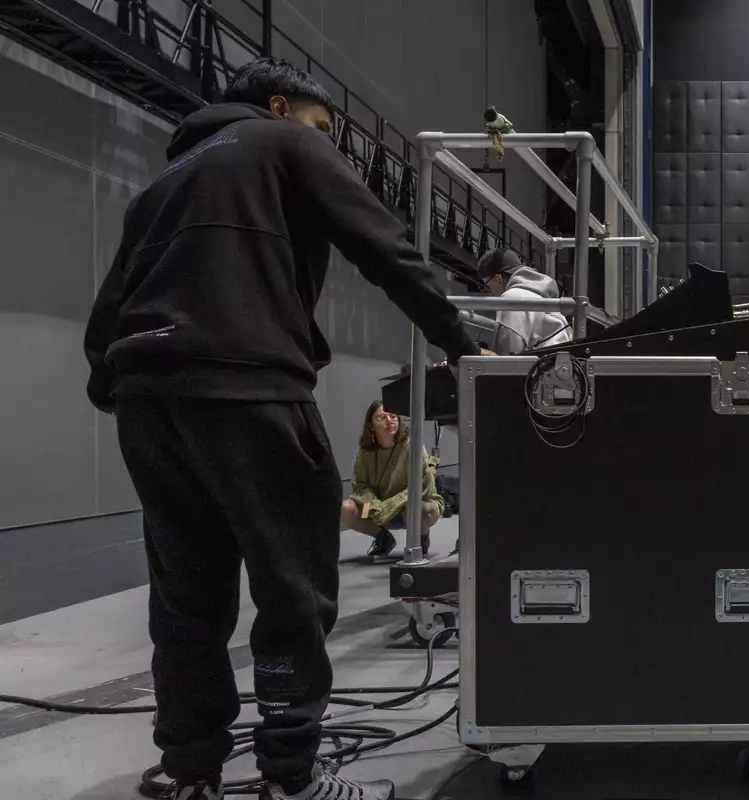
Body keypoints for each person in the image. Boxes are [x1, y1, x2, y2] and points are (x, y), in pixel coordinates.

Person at [84, 58, 491, 800]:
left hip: (150, 401)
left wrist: (115, 387)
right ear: (280, 106)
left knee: (185, 598)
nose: (326, 139)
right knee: (293, 584)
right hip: (249, 387)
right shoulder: (284, 143)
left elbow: (110, 307)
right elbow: (383, 245)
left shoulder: (161, 184)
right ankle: (291, 775)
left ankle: (189, 768)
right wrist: (462, 345)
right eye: (322, 125)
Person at [340, 402, 442, 560]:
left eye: (393, 416)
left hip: (409, 506)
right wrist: (374, 506)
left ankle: (421, 538)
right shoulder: (365, 452)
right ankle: (383, 538)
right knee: (346, 509)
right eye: (381, 418)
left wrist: (391, 505)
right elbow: (360, 486)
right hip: (378, 510)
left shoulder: (413, 445)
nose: (389, 421)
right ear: (371, 426)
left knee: (422, 509)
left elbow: (425, 484)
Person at [476, 247, 572, 354]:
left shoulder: (511, 298)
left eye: (487, 286)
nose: (489, 292)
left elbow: (507, 354)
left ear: (498, 279)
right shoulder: (543, 297)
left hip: (546, 362)